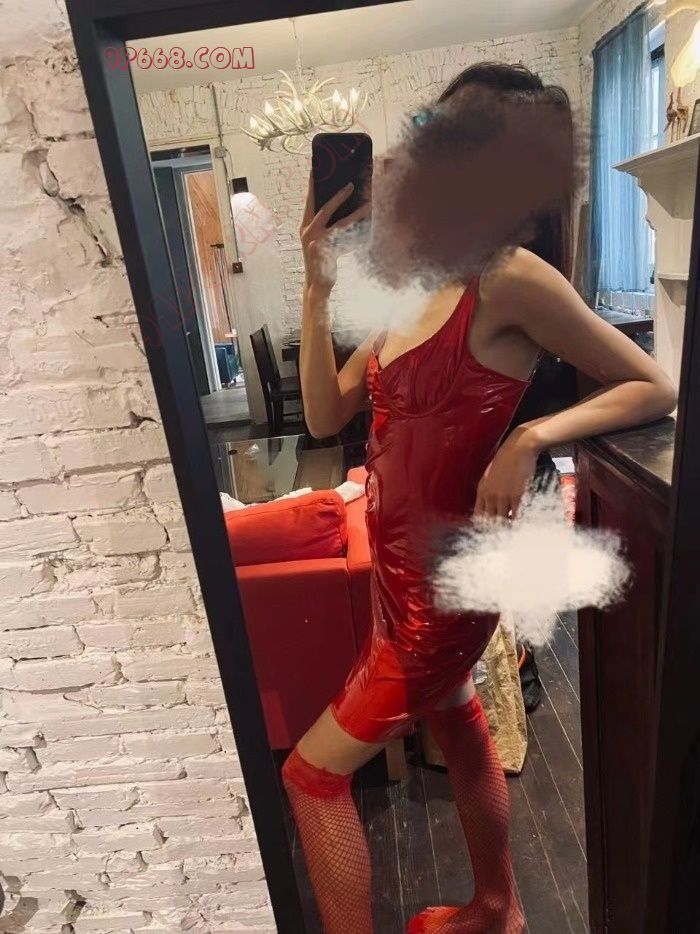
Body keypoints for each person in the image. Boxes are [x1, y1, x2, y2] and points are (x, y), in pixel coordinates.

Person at [287, 63, 677, 934]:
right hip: (398, 578)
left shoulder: (509, 277)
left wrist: (530, 437)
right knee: (459, 722)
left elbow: (653, 384)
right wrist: (316, 285)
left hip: (443, 588)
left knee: (310, 778)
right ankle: (499, 908)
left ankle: (494, 909)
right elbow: (323, 415)